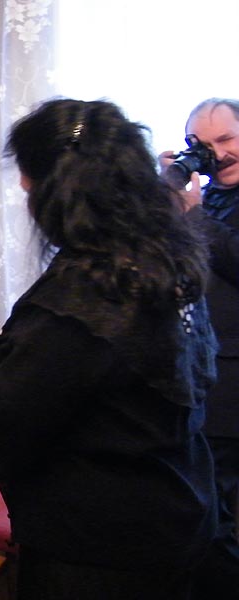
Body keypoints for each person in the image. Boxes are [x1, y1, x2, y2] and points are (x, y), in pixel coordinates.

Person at [0, 99, 219, 600]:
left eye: (30, 188)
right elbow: (110, 379)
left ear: (60, 193)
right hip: (176, 504)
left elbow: (8, 418)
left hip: (103, 541)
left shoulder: (86, 293)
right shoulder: (160, 259)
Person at [158, 98, 239, 598]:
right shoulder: (208, 199)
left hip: (232, 389)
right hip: (196, 375)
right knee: (199, 513)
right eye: (203, 146)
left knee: (215, 520)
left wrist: (193, 215)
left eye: (226, 139)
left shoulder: (205, 210)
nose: (218, 155)